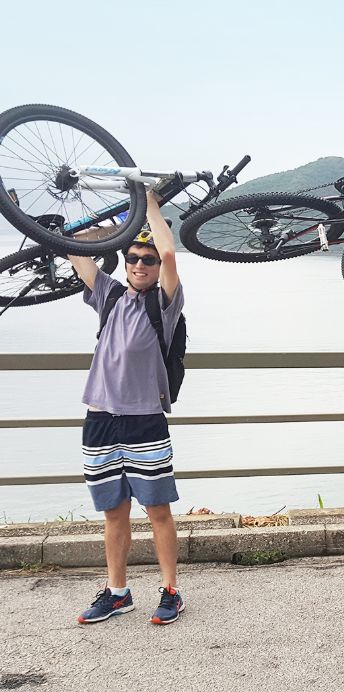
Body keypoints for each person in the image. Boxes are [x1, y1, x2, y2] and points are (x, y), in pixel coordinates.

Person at [69, 191, 185, 625]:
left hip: (144, 421)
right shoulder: (110, 295)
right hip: (99, 418)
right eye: (134, 257)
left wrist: (149, 202)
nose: (140, 264)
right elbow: (75, 246)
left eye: (147, 260)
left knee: (157, 510)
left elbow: (170, 251)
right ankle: (118, 592)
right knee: (114, 511)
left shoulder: (165, 304)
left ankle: (171, 590)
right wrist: (114, 229)